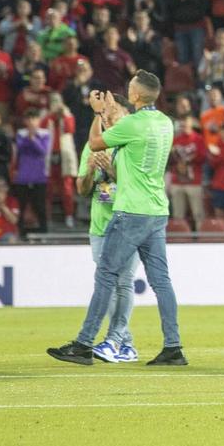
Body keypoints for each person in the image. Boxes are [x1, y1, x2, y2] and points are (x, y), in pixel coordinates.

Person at [46, 72, 186, 367]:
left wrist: (99, 113)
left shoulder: (133, 124)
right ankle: (173, 347)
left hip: (131, 210)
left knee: (106, 274)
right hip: (157, 209)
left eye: (130, 88)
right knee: (161, 281)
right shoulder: (164, 122)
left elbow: (96, 143)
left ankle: (84, 344)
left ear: (135, 96)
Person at [82, 125, 141, 362]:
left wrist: (112, 170)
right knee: (108, 283)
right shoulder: (91, 148)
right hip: (100, 228)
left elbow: (137, 186)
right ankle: (125, 343)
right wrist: (89, 171)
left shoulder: (131, 147)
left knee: (123, 283)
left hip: (128, 223)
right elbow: (82, 189)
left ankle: (115, 342)